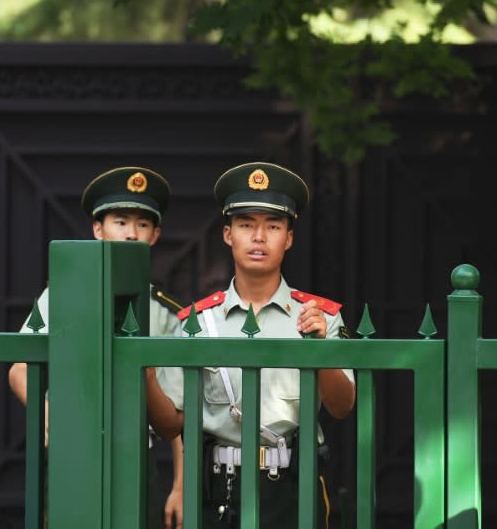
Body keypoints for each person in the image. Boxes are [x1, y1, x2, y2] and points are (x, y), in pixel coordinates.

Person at [146, 161, 356, 528]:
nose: (259, 237)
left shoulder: (317, 317)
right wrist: (146, 377)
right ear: (228, 235)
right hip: (217, 490)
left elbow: (342, 406)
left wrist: (318, 350)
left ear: (288, 238)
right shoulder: (198, 322)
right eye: (246, 225)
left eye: (273, 226)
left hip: (293, 488)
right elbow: (169, 425)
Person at [7, 166, 186, 528]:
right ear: (97, 230)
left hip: (137, 454)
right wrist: (47, 411)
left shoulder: (164, 312)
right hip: (74, 450)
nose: (131, 234)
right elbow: (20, 369)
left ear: (155, 235)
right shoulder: (62, 296)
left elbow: (178, 409)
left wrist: (180, 485)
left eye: (142, 224)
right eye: (120, 221)